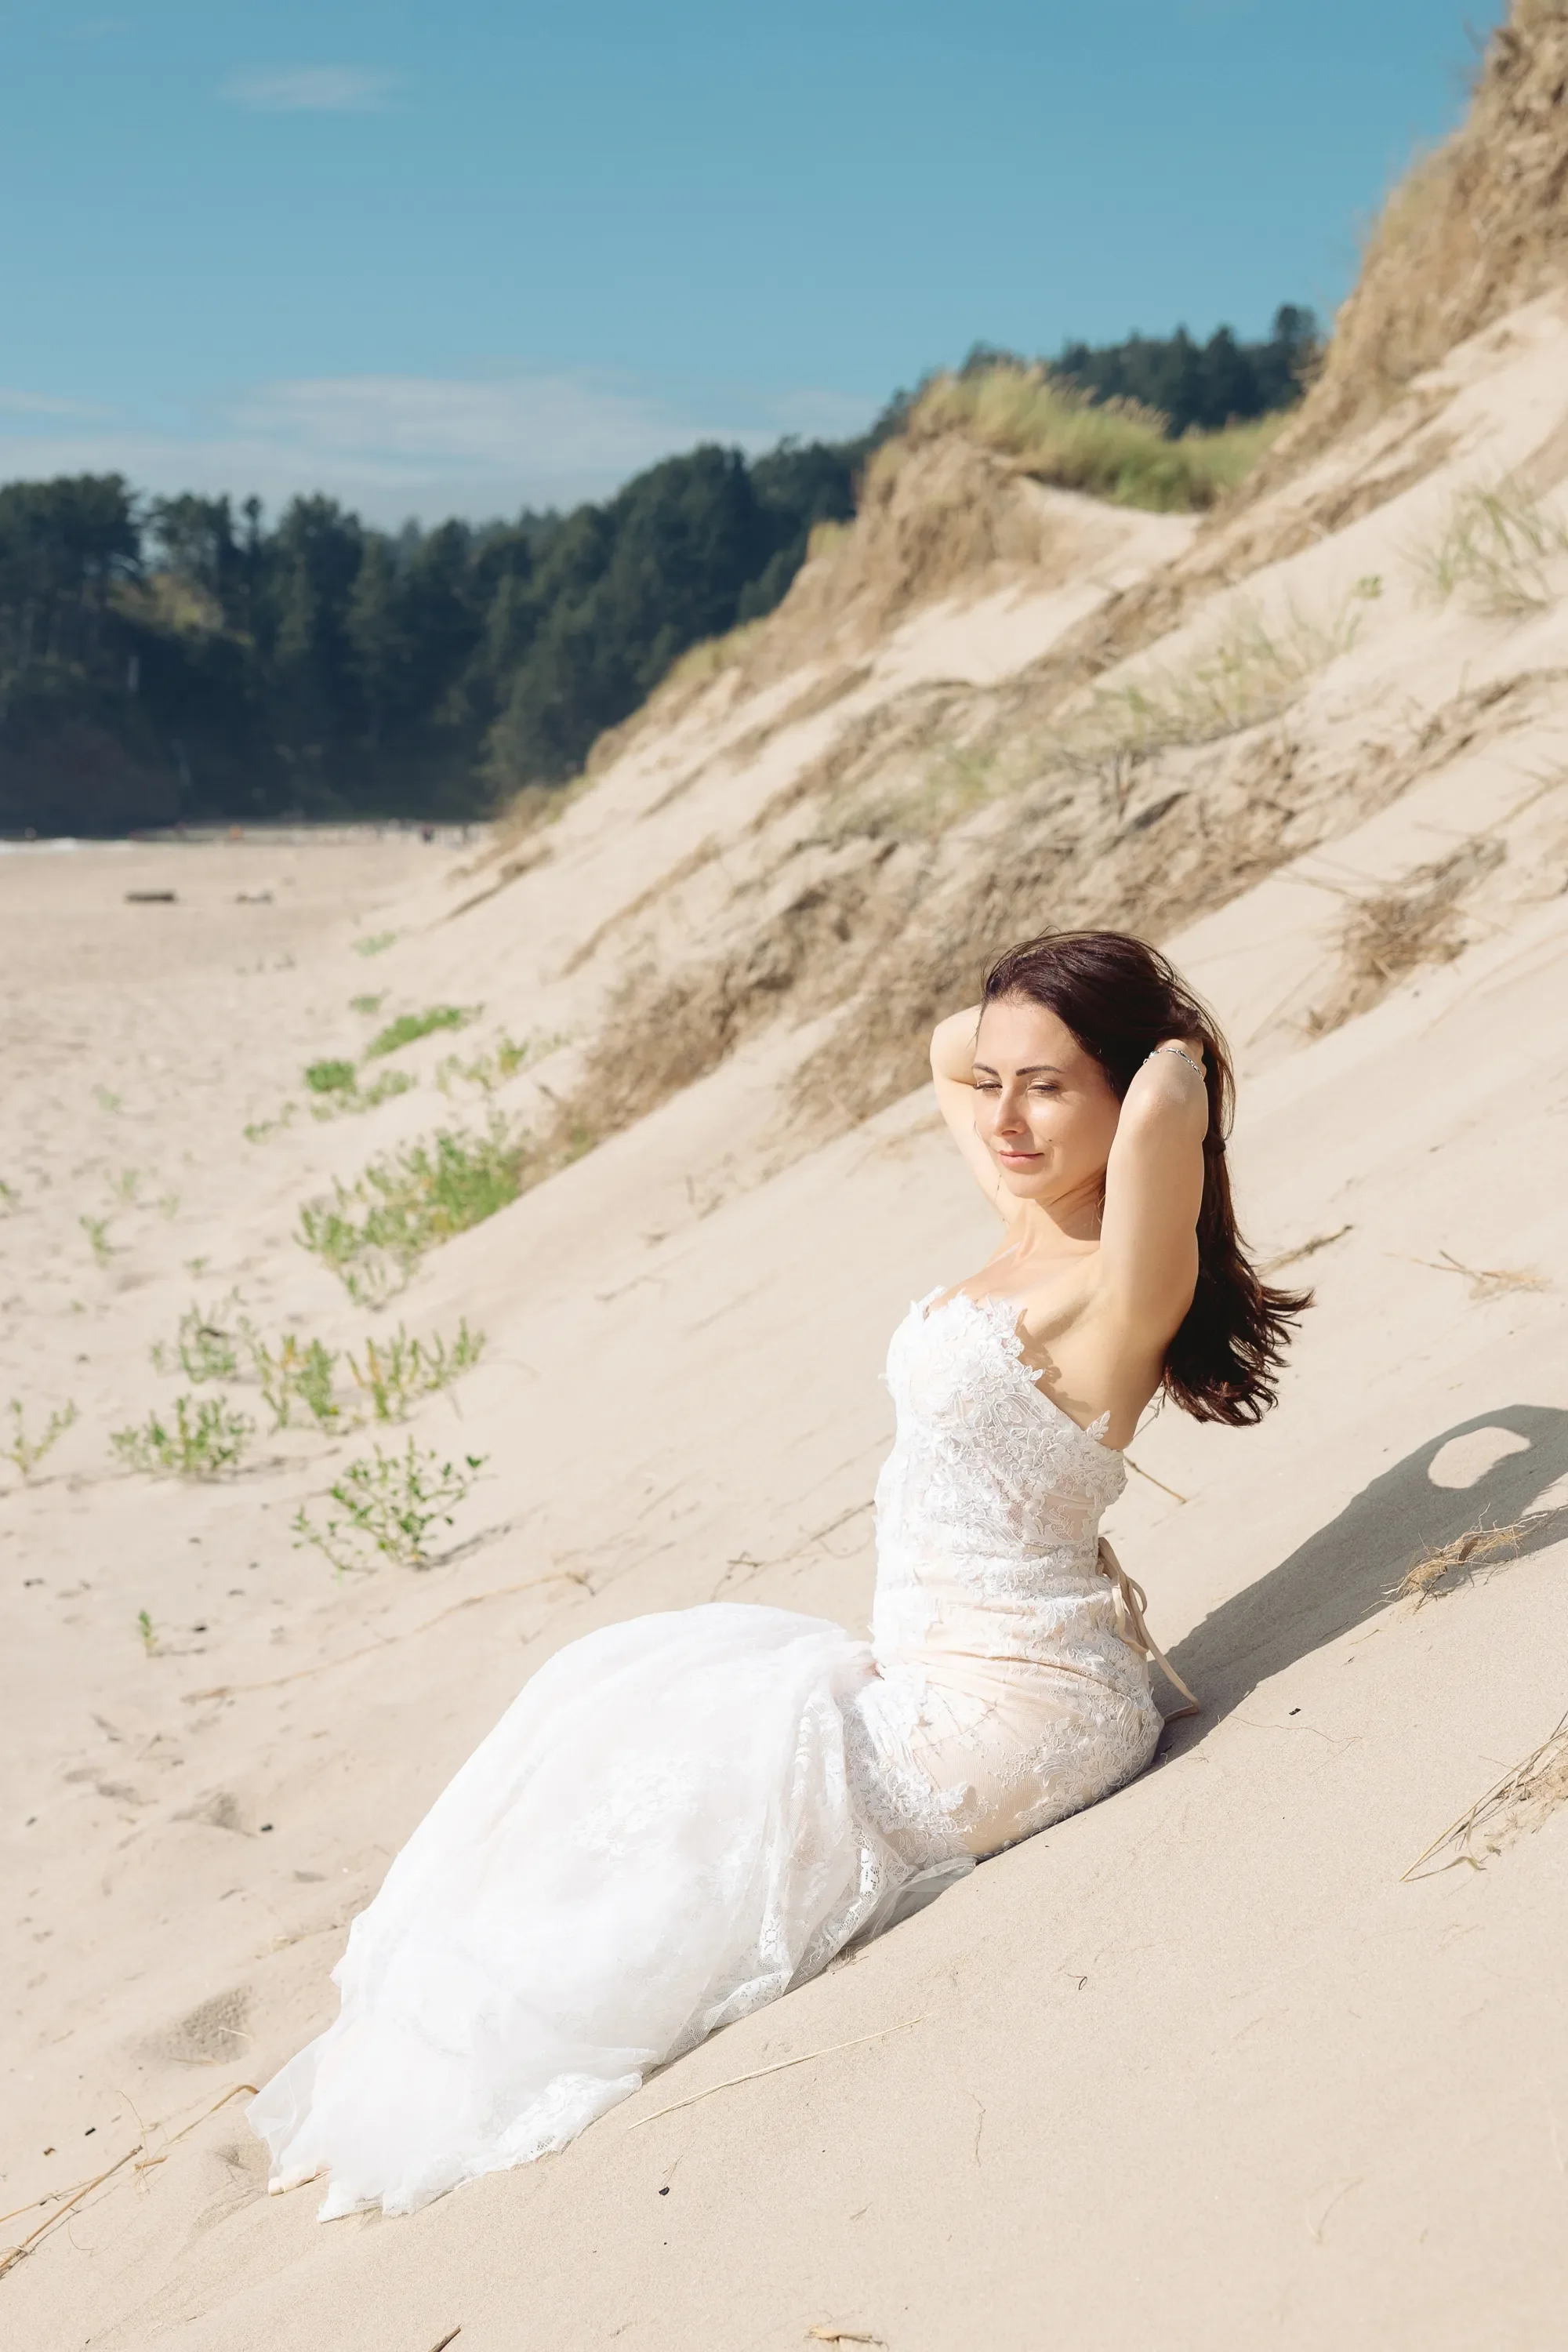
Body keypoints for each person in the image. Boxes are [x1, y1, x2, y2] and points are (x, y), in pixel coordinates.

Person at [249, 928, 1308, 2217]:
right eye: (1000, 1084)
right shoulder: (1026, 1218)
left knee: (704, 1822)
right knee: (614, 1716)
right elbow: (944, 1052)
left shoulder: (1125, 1282)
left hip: (1021, 1706)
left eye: (1051, 1085)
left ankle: (481, 2060)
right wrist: (1033, 1048)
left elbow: (1162, 1115)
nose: (1009, 1117)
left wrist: (1178, 1055)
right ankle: (429, 2045)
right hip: (920, 1669)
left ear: (1127, 1091)